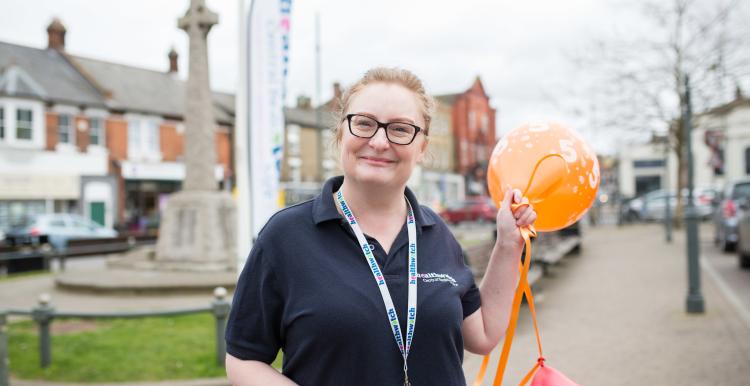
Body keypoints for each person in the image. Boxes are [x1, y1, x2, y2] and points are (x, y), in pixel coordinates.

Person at [225, 67, 537, 386]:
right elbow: (243, 358)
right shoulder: (286, 236)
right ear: (340, 133)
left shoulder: (436, 232)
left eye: (400, 129)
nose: (378, 141)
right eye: (364, 123)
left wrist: (508, 244)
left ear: (422, 147)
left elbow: (483, 335)